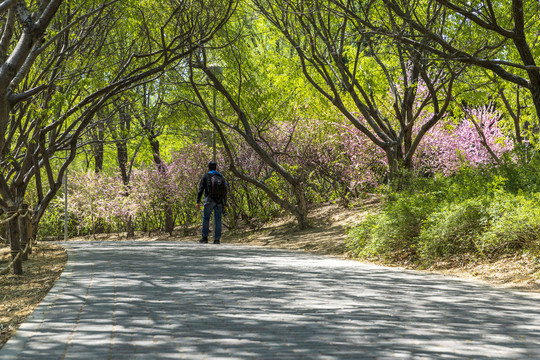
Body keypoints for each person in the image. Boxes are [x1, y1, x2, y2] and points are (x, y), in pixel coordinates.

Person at [196, 161, 227, 244]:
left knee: (206, 218)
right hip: (219, 201)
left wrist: (198, 201)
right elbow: (225, 191)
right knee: (218, 220)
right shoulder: (221, 176)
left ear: (208, 167)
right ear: (216, 168)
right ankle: (217, 239)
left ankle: (205, 238)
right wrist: (225, 203)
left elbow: (201, 189)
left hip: (209, 200)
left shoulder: (206, 176)